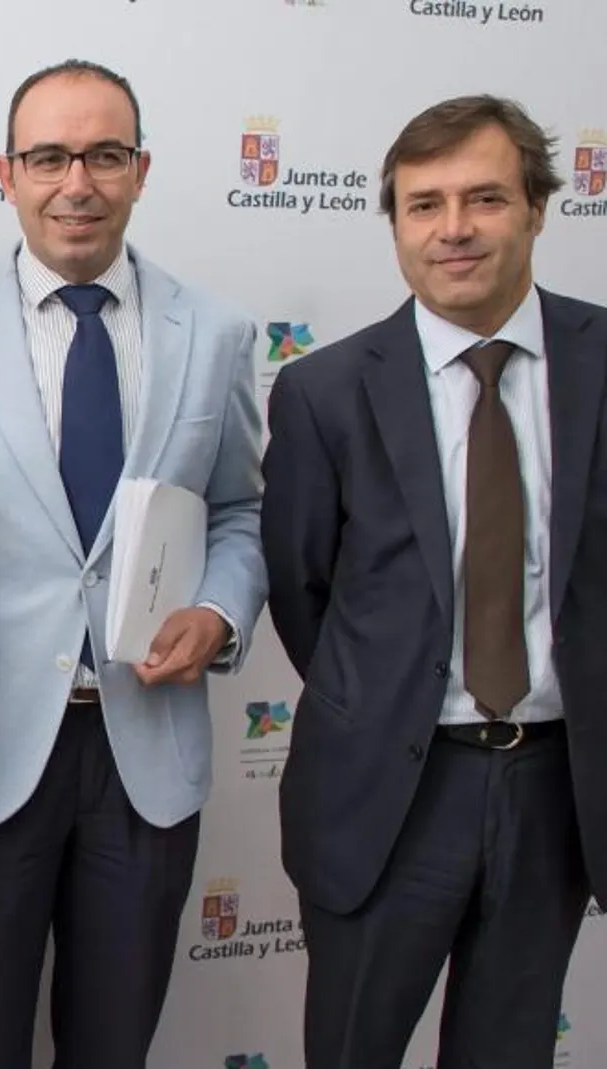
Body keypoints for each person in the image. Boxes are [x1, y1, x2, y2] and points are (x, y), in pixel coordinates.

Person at [0, 59, 267, 1068]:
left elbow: (240, 509)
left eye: (102, 155)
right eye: (47, 157)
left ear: (140, 170)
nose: (75, 183)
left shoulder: (214, 334)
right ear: (5, 173)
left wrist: (221, 613)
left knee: (113, 1041)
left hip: (146, 749)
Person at [263, 94, 606, 1069]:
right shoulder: (323, 392)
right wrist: (384, 696)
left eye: (483, 198)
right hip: (384, 794)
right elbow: (303, 591)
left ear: (538, 208)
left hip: (555, 792)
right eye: (422, 205)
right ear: (395, 224)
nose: (451, 229)